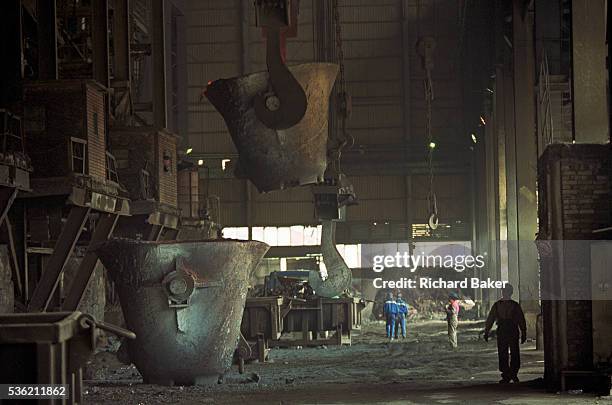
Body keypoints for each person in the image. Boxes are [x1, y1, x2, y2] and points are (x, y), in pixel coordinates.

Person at [483, 283, 527, 384]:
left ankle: (508, 374)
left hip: (504, 329)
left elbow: (491, 319)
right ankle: (511, 374)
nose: (505, 293)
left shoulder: (498, 305)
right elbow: (521, 320)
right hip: (511, 329)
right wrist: (523, 332)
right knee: (512, 352)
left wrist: (487, 331)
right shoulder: (514, 305)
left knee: (505, 352)